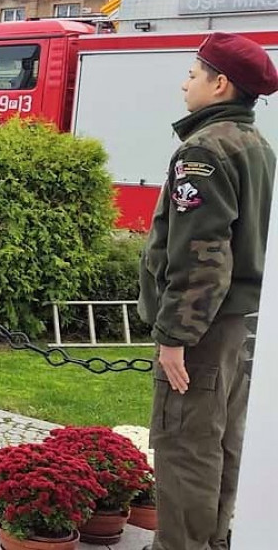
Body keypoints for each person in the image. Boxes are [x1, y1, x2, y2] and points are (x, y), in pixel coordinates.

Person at [138, 33, 278, 550]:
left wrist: (174, 335)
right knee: (222, 442)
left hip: (205, 328)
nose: (184, 83)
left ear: (220, 84)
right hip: (238, 325)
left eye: (192, 74)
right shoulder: (255, 146)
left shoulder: (204, 150)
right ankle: (214, 542)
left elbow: (203, 256)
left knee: (185, 447)